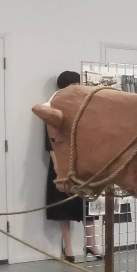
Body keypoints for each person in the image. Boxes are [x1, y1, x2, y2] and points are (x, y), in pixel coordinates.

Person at [45, 71, 103, 262]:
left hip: (83, 163)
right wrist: (56, 164)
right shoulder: (51, 108)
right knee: (65, 205)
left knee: (90, 203)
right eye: (73, 85)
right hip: (63, 164)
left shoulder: (84, 107)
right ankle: (68, 246)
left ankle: (91, 244)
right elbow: (49, 142)